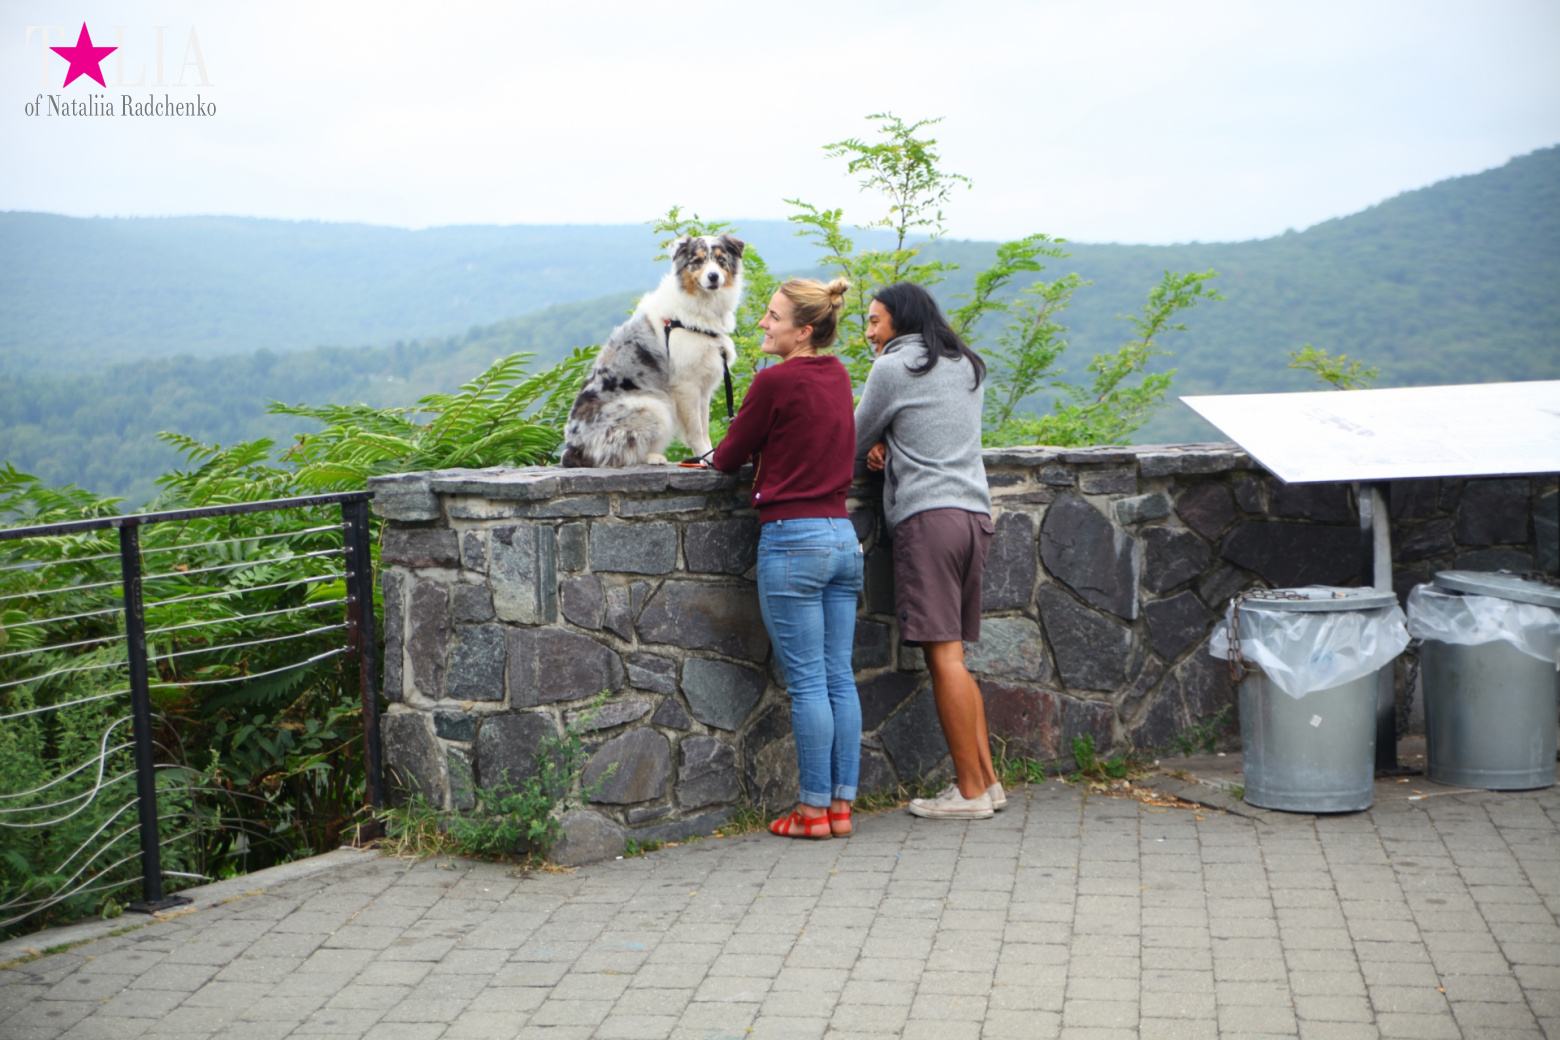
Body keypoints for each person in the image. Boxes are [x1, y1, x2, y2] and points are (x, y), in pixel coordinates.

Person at [710, 278, 862, 839]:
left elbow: (727, 459)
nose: (761, 324)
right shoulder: (839, 374)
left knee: (806, 686)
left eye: (771, 317)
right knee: (838, 679)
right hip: (843, 537)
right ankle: (841, 809)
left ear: (803, 330)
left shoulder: (774, 383)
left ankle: (811, 811)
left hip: (793, 540)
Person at [854, 281, 1003, 820]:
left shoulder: (895, 368)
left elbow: (849, 439)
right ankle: (987, 782)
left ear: (902, 320)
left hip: (928, 519)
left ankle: (968, 794)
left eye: (875, 321)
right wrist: (890, 446)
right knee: (956, 657)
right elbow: (928, 430)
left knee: (946, 660)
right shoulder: (964, 362)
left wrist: (875, 444)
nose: (869, 333)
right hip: (972, 517)